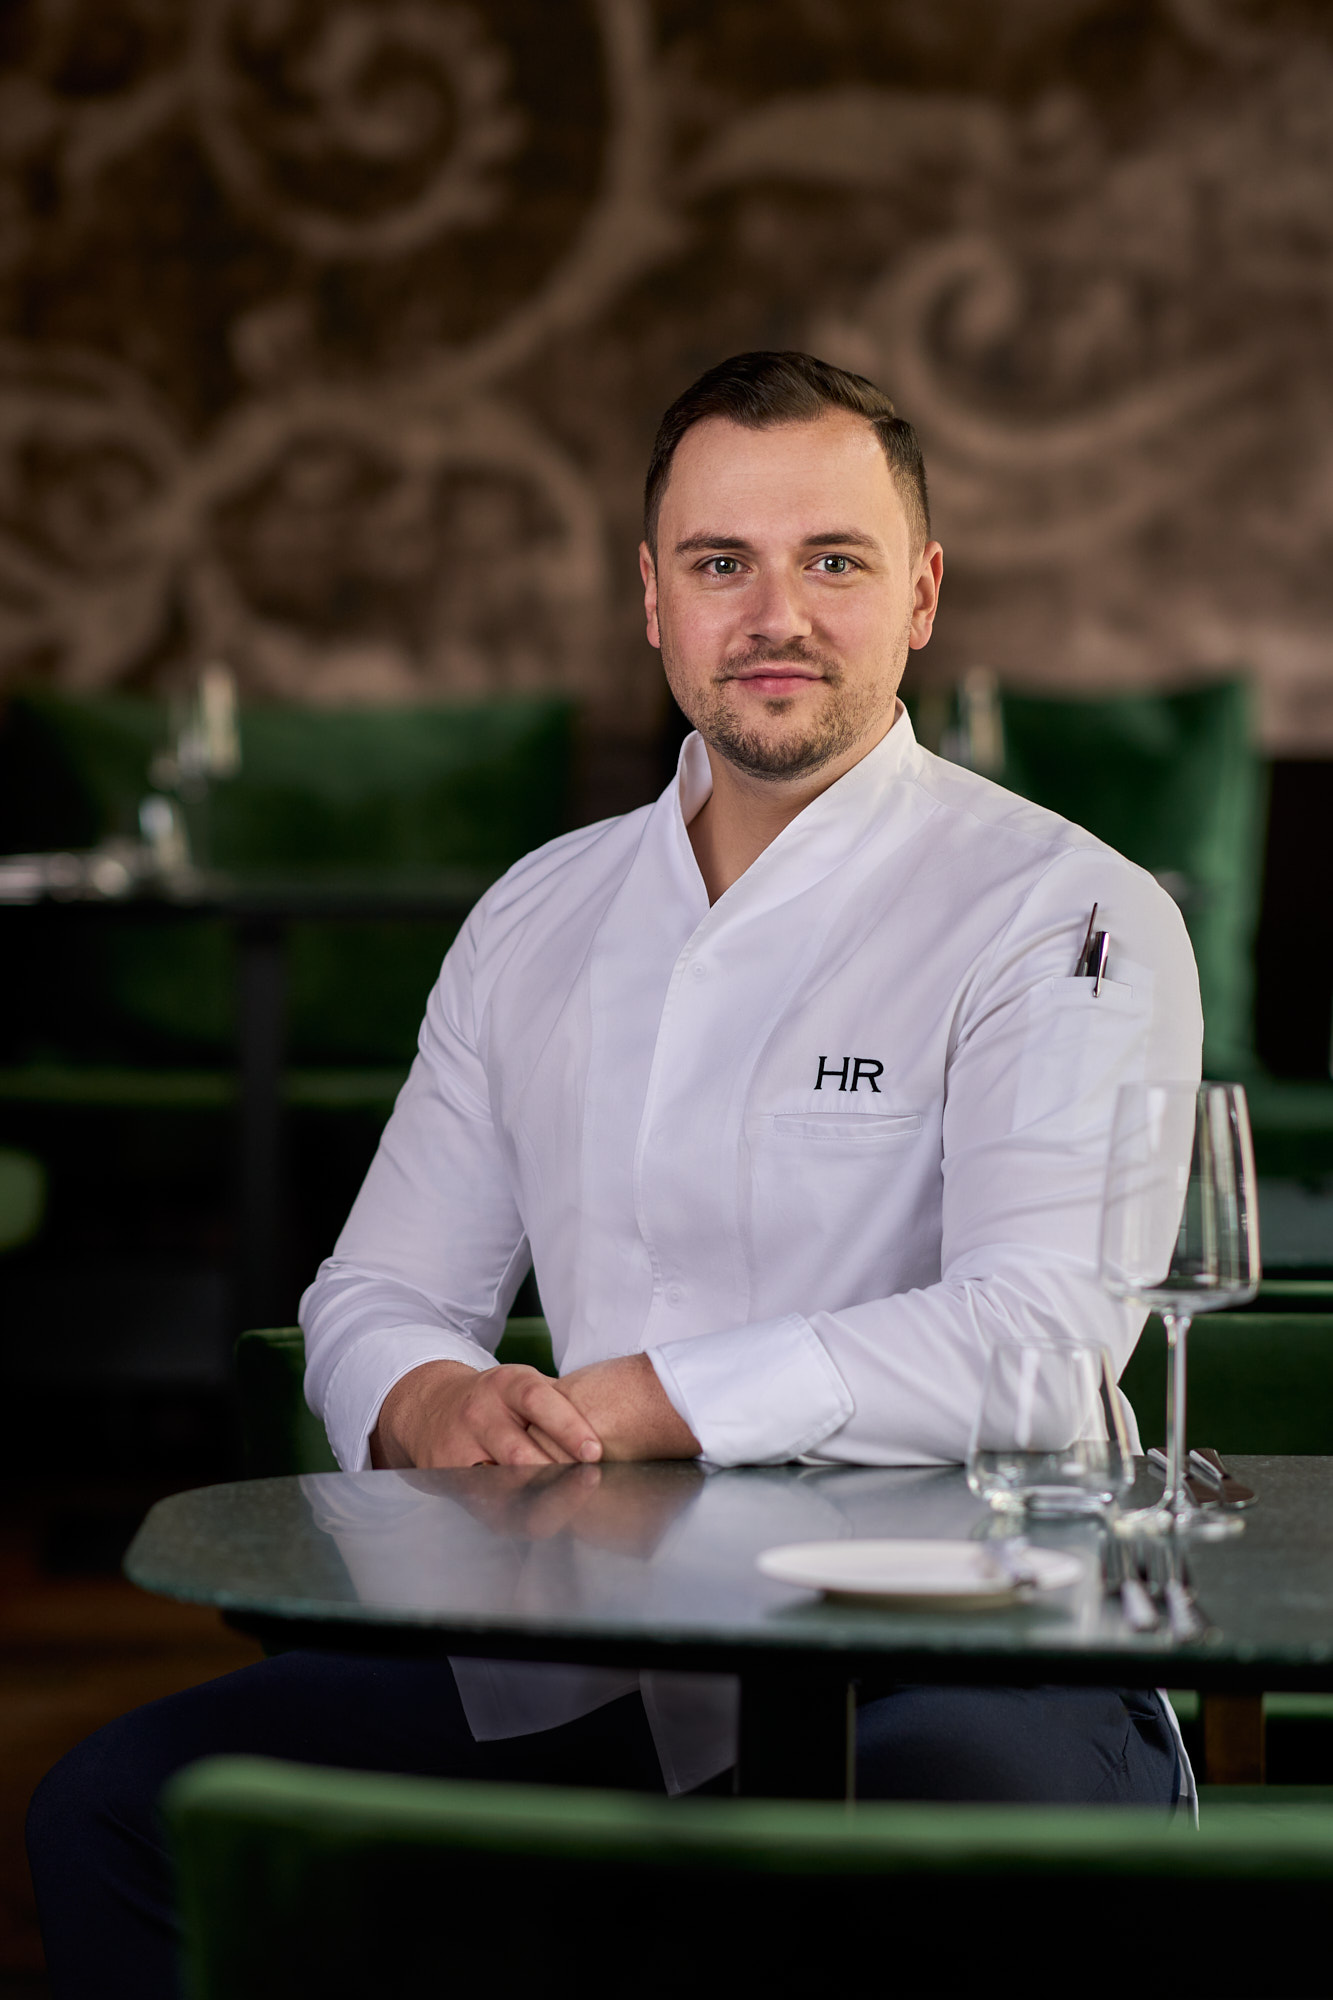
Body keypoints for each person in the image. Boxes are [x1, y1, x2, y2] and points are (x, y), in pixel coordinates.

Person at [28, 352, 1196, 1996]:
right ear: (651, 601)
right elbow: (375, 1291)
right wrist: (428, 1397)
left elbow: (1037, 1340)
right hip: (594, 1656)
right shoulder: (535, 917)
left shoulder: (1061, 913)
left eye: (834, 561)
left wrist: (649, 1399)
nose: (774, 616)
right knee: (118, 1813)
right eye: (721, 563)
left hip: (976, 1656)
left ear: (922, 595)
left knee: (857, 1884)